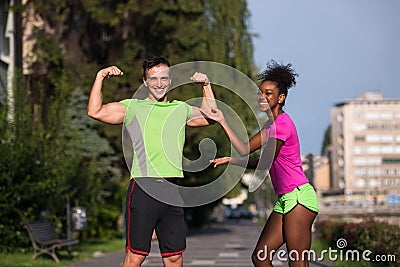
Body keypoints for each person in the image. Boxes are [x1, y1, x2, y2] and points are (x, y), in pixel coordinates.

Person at [87, 56, 216, 267]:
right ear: (145, 82)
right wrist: (100, 76)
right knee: (136, 256)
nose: (159, 84)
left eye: (164, 78)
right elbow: (95, 111)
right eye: (153, 79)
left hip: (172, 190)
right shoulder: (132, 108)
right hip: (143, 188)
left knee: (174, 257)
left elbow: (211, 116)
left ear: (171, 80)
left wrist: (206, 85)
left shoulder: (179, 109)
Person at [206, 60, 319, 267]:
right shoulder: (270, 126)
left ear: (281, 98)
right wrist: (232, 153)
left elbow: (263, 161)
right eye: (260, 93)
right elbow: (246, 150)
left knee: (297, 262)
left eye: (268, 93)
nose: (262, 97)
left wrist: (237, 157)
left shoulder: (282, 125)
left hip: (299, 198)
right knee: (260, 256)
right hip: (285, 199)